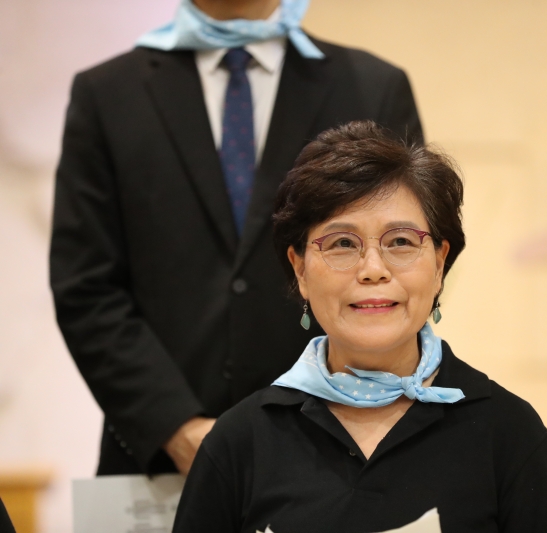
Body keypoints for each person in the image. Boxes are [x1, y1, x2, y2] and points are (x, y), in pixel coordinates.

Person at [49, 0, 423, 476]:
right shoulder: (107, 94)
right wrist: (175, 427)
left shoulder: (372, 86)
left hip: (340, 449)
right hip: (161, 463)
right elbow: (85, 286)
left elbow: (402, 263)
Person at [172, 121, 547, 532]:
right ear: (300, 269)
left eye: (401, 241)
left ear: (439, 264)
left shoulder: (507, 432)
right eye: (342, 243)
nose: (373, 269)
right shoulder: (239, 442)